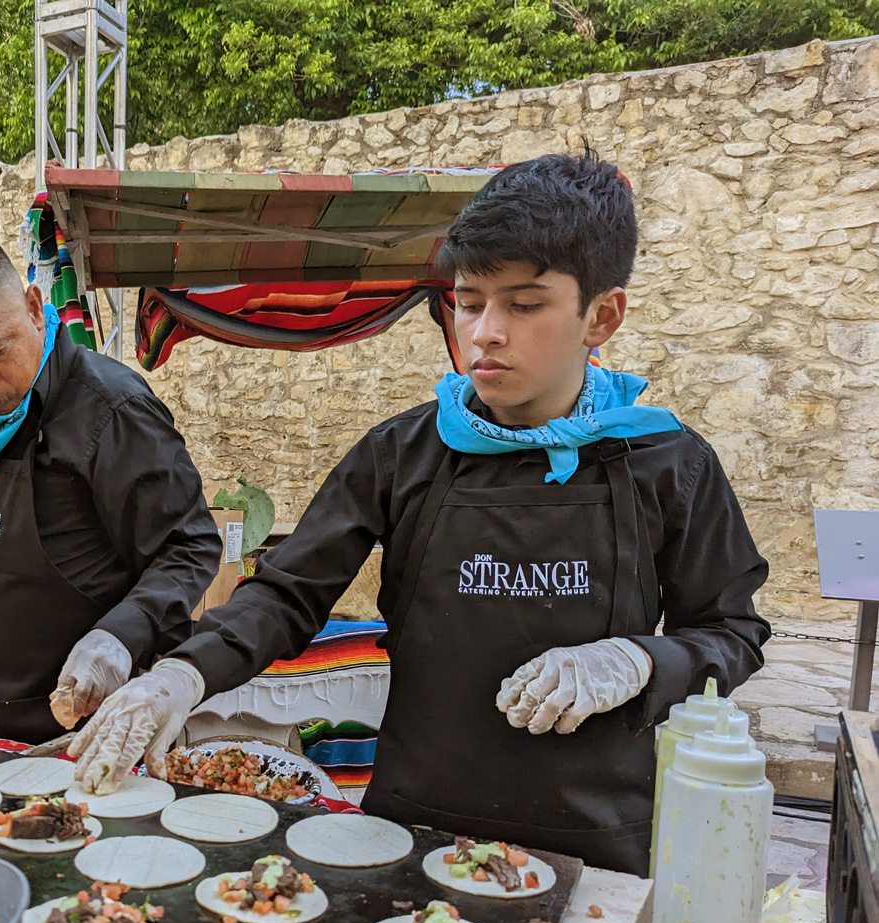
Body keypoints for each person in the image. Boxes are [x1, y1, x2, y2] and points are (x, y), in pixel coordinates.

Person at [69, 153, 769, 875]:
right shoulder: (403, 452)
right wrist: (180, 676)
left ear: (603, 315)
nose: (485, 333)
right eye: (469, 302)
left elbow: (731, 631)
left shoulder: (667, 462)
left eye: (523, 305)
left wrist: (638, 659)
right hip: (412, 833)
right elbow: (286, 594)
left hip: (594, 847)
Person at [0, 233, 222, 745]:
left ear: (35, 309)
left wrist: (121, 634)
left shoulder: (112, 411)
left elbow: (189, 545)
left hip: (78, 733)